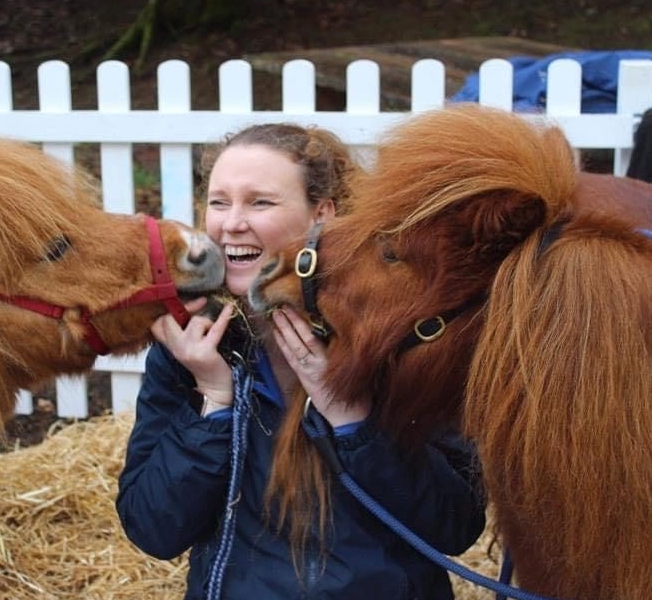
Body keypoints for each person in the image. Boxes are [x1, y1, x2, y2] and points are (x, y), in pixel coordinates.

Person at [116, 123, 486, 600]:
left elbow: (454, 526)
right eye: (220, 201)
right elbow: (153, 530)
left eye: (260, 202)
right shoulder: (193, 345)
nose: (231, 223)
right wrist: (213, 400)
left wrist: (353, 421)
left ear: (323, 214)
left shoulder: (400, 336)